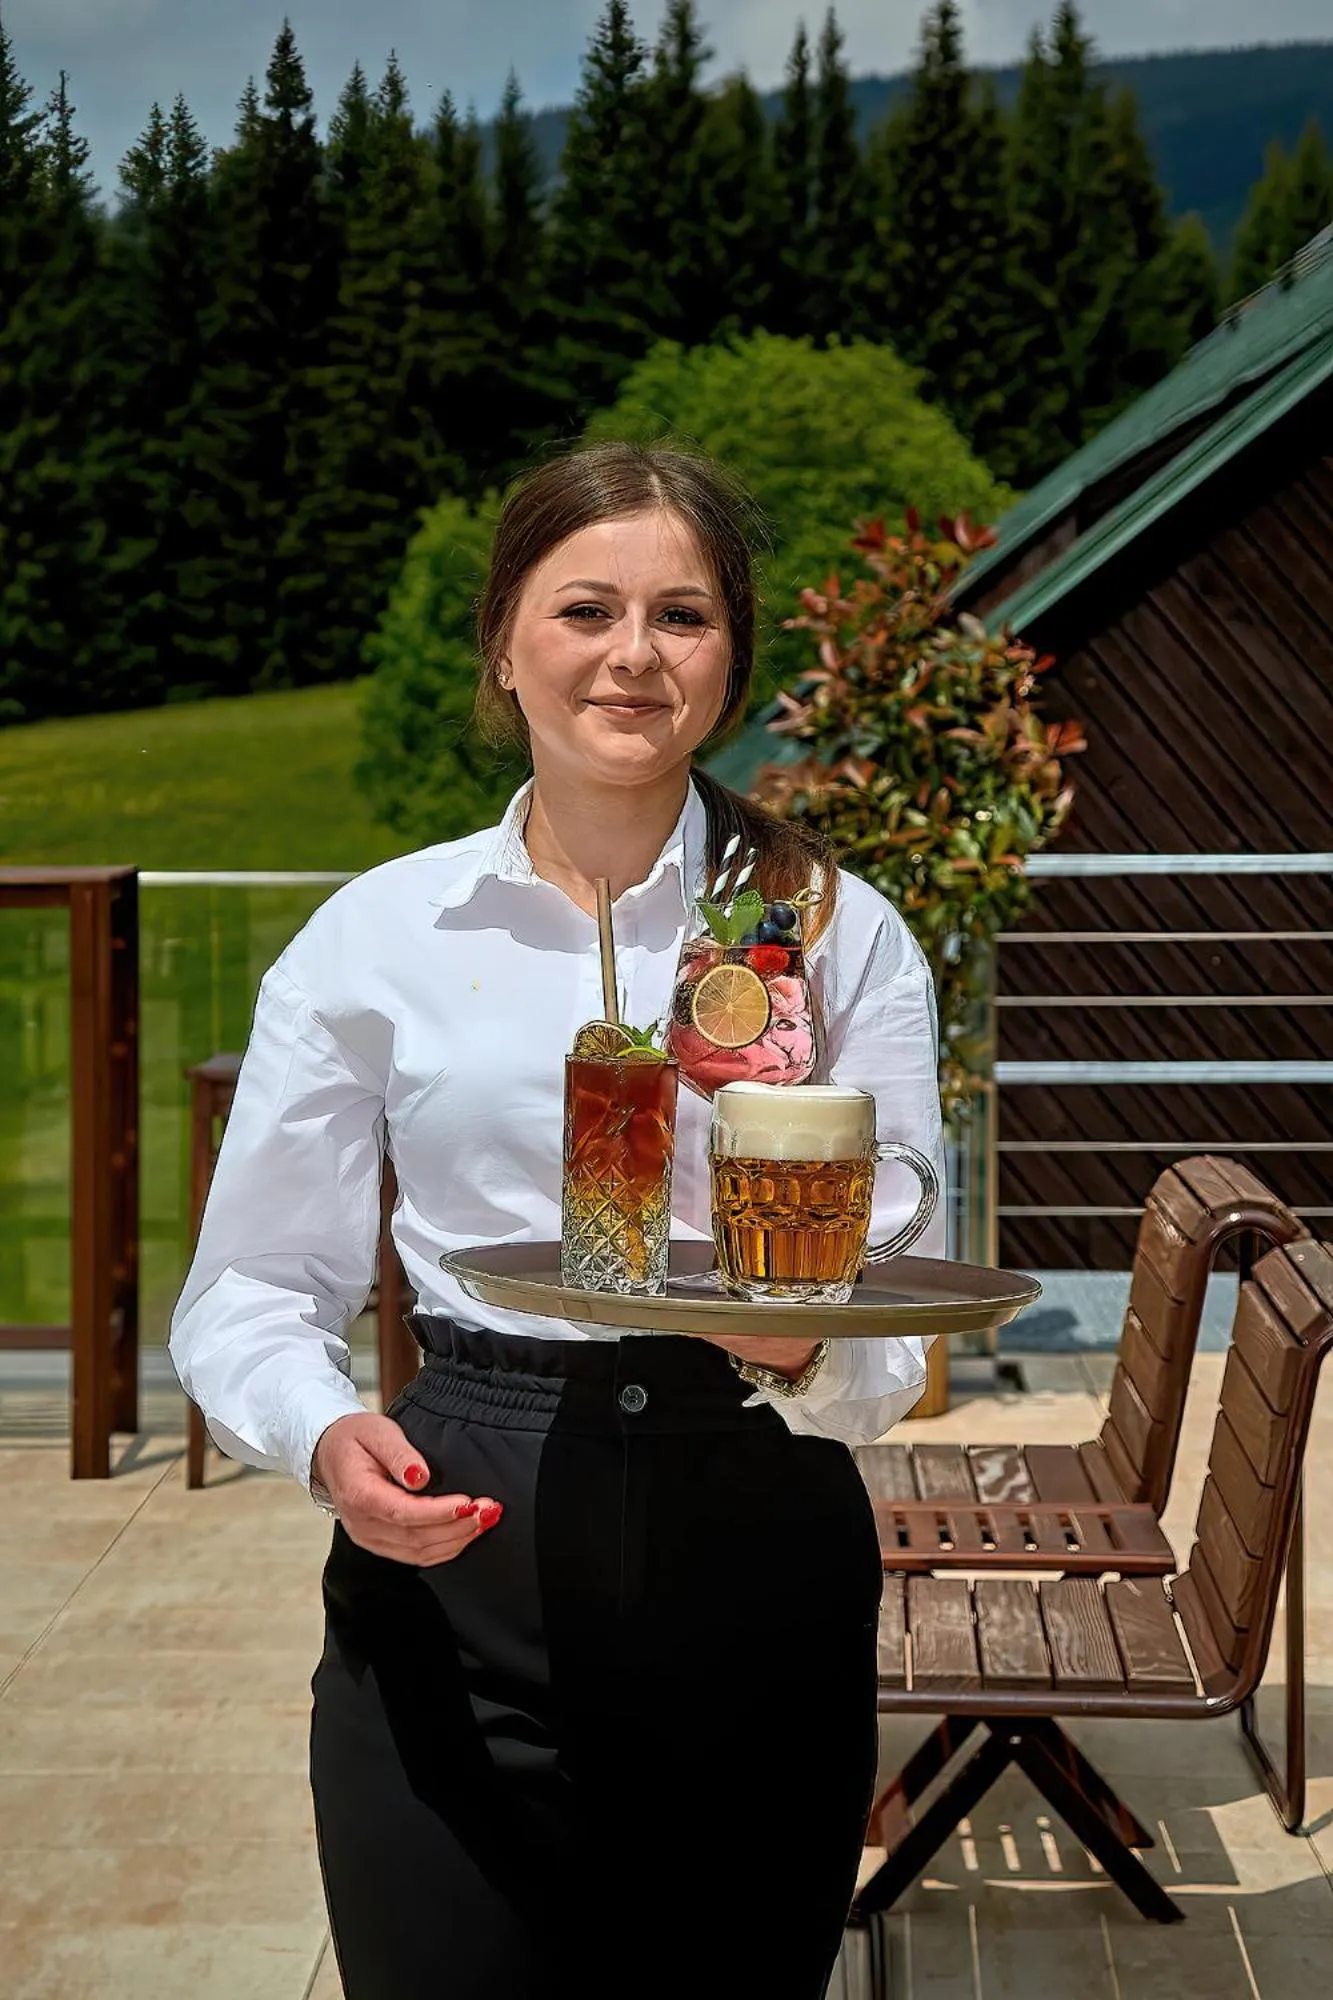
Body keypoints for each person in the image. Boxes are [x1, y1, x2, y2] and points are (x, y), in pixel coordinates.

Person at [170, 441, 946, 2000]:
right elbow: (252, 1283)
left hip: (752, 1538)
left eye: (683, 615)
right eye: (586, 609)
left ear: (731, 657)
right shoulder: (382, 936)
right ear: (505, 644)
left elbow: (901, 1307)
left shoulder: (825, 928)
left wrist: (804, 1349)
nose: (634, 654)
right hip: (469, 1530)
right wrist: (323, 1434)